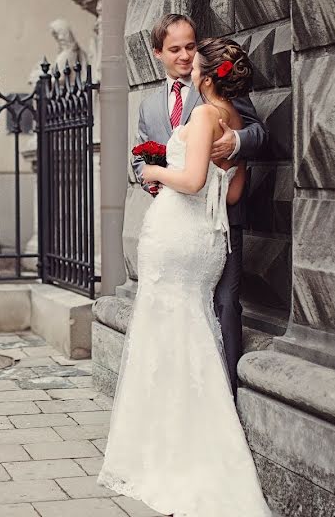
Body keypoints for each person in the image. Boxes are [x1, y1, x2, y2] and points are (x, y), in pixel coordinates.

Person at [98, 37, 272, 516]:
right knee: (192, 329)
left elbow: (192, 181)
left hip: (177, 236)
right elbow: (232, 194)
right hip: (208, 240)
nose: (189, 67)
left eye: (195, 62)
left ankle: (170, 446)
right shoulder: (233, 120)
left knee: (165, 331)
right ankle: (194, 430)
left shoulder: (202, 116)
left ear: (208, 75)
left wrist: (158, 168)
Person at [130, 14, 268, 394]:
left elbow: (257, 133)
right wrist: (150, 176)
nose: (186, 56)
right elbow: (141, 155)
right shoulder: (149, 106)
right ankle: (177, 392)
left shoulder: (213, 86)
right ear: (157, 53)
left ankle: (225, 393)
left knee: (224, 303)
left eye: (191, 46)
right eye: (175, 49)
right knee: (175, 306)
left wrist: (235, 147)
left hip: (219, 217)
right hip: (176, 220)